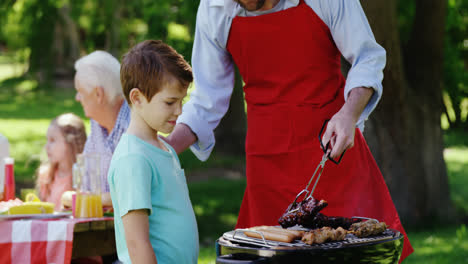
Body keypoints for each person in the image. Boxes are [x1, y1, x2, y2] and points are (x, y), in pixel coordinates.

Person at [166, 0, 413, 261]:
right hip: (266, 166)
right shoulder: (216, 7)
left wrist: (349, 114)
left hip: (332, 154)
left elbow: (367, 57)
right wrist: (162, 148)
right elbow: (206, 101)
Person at [108, 40, 199, 264]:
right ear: (137, 98)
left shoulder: (164, 148)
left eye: (181, 101)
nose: (179, 111)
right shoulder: (134, 159)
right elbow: (137, 243)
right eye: (170, 102)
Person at [74, 50, 130, 207]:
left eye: (80, 91)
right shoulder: (97, 125)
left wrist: (90, 200)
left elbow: (131, 194)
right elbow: (84, 187)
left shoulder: (135, 127)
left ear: (98, 94)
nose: (77, 98)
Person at [36, 113, 86, 210]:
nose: (46, 147)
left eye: (52, 140)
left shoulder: (83, 177)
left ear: (70, 143)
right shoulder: (46, 176)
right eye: (47, 140)